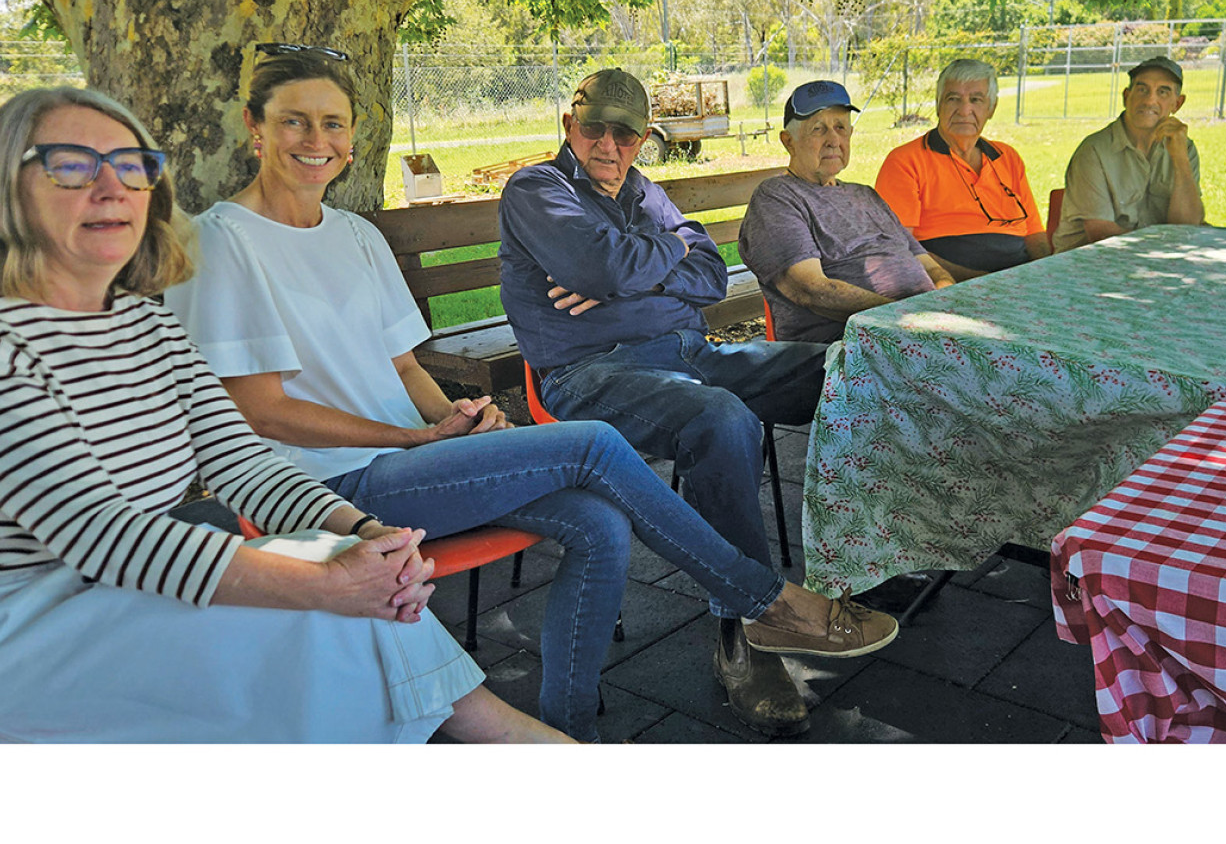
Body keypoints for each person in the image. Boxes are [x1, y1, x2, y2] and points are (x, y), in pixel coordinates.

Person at [164, 47, 893, 744]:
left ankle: (569, 732)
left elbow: (406, 369)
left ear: (352, 139)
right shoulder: (222, 241)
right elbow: (256, 412)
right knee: (599, 443)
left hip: (418, 455)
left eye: (332, 124)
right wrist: (413, 438)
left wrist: (450, 416)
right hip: (323, 485)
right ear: (254, 128)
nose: (315, 140)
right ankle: (766, 601)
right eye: (294, 120)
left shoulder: (353, 234)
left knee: (601, 524)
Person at [0, 86, 576, 743]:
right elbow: (104, 533)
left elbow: (240, 460)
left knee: (340, 589)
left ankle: (499, 738)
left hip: (128, 593)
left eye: (133, 166)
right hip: (34, 629)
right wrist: (329, 581)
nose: (111, 186)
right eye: (71, 164)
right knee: (322, 612)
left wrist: (364, 534)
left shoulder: (141, 324)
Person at [498, 67, 894, 737]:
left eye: (625, 132)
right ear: (570, 126)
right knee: (720, 418)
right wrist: (655, 257)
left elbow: (710, 276)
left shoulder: (646, 193)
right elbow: (602, 268)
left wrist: (630, 273)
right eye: (594, 126)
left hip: (689, 353)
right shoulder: (537, 188)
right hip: (588, 373)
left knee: (855, 367)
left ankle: (876, 552)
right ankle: (748, 628)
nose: (608, 143)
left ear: (643, 137)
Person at [739, 80, 954, 343]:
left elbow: (931, 267)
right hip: (851, 347)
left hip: (920, 330)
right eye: (818, 129)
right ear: (789, 141)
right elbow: (810, 290)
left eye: (840, 127)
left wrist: (947, 303)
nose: (833, 140)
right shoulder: (778, 198)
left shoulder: (866, 195)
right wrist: (901, 318)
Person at [875, 59, 1050, 280]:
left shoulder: (1008, 157)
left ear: (991, 108)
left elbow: (1034, 234)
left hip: (1019, 278)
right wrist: (977, 279)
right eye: (953, 99)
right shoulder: (905, 161)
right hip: (951, 282)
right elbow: (900, 247)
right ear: (939, 105)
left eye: (976, 99)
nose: (964, 110)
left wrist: (1048, 273)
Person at [1052, 55, 1205, 253]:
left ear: (1178, 103)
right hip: (1088, 264)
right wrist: (1163, 252)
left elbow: (1188, 226)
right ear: (1126, 97)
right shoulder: (1093, 151)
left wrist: (1180, 159)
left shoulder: (1184, 148)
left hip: (1156, 261)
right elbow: (1101, 235)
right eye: (1142, 90)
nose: (1150, 100)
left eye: (1163, 92)